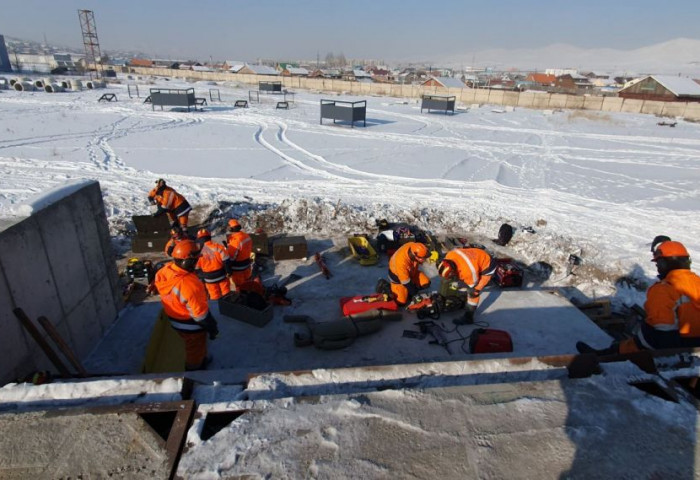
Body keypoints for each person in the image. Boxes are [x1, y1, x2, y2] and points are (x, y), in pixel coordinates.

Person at [577, 240, 700, 355]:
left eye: (658, 263)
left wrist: (634, 343)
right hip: (696, 344)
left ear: (664, 263)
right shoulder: (697, 282)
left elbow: (661, 334)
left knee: (638, 336)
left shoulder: (664, 289)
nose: (657, 268)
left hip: (673, 348)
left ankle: (602, 355)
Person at [154, 239, 219, 371]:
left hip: (174, 319)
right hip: (191, 326)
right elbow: (201, 317)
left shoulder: (164, 271)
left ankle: (201, 359)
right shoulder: (190, 285)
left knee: (192, 345)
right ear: (187, 261)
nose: (197, 263)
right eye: (195, 260)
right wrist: (213, 329)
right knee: (195, 349)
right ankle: (194, 370)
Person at [437, 246, 497, 325]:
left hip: (488, 265)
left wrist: (471, 288)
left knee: (473, 292)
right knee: (462, 285)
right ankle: (463, 300)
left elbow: (472, 285)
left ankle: (469, 317)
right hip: (477, 257)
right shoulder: (449, 255)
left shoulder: (469, 272)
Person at [386, 241, 431, 306]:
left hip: (411, 272)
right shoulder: (401, 263)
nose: (424, 260)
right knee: (401, 303)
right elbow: (406, 282)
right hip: (398, 279)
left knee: (426, 283)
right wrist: (414, 293)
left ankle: (408, 292)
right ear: (416, 256)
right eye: (423, 258)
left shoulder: (413, 246)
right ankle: (386, 287)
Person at [195, 228, 232, 300]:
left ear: (199, 239)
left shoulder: (198, 253)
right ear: (209, 236)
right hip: (221, 275)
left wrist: (204, 277)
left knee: (214, 296)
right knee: (226, 293)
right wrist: (229, 272)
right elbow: (226, 261)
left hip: (209, 279)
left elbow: (197, 269)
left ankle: (216, 308)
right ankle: (229, 306)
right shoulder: (219, 247)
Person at [225, 219, 253, 288]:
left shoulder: (235, 240)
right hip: (247, 264)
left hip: (238, 268)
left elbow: (231, 257)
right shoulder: (246, 235)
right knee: (248, 283)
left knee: (240, 286)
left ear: (231, 228)